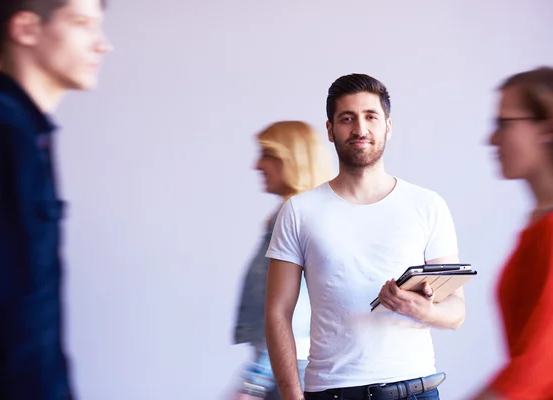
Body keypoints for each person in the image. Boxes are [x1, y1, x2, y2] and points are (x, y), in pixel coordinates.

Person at [264, 73, 467, 400]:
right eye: (347, 119)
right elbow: (277, 312)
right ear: (330, 130)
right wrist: (291, 395)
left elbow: (456, 311)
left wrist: (418, 308)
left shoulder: (428, 205)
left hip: (414, 390)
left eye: (371, 117)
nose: (360, 129)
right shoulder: (299, 211)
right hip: (331, 392)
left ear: (388, 125)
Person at [0, 0, 112, 398]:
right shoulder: (1, 136)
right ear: (25, 29)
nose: (102, 44)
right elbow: (8, 318)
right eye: (82, 23)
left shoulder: (20, 132)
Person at [232, 121, 334, 399]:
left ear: (293, 160)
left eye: (267, 154)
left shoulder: (295, 218)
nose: (257, 165)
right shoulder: (289, 215)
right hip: (283, 370)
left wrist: (256, 379)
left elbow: (294, 307)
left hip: (287, 372)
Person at [470, 67, 553, 400]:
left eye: (503, 124)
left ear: (547, 129)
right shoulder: (535, 228)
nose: (491, 139)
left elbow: (535, 368)